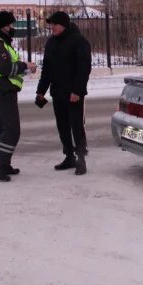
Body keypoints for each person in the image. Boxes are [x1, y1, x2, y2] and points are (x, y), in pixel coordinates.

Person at [36, 11, 92, 175]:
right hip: (57, 92)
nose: (52, 27)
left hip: (73, 94)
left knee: (77, 126)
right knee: (62, 127)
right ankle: (69, 157)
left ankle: (81, 158)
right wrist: (41, 91)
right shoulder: (51, 42)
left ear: (64, 25)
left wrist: (77, 91)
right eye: (51, 24)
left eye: (55, 24)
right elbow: (47, 69)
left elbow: (84, 69)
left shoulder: (79, 41)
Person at [0, 10, 36, 182]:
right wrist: (24, 65)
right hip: (2, 90)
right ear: (3, 26)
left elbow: (11, 69)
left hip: (6, 89)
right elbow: (5, 68)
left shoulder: (4, 43)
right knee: (12, 130)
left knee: (5, 128)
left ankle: (3, 164)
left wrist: (26, 69)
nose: (13, 27)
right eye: (11, 24)